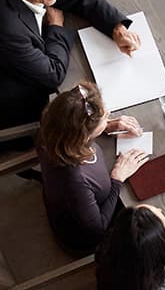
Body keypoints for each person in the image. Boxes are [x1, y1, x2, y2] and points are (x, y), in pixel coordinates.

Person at [0, 0, 140, 129]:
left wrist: (117, 28)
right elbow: (53, 74)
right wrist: (56, 26)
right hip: (18, 107)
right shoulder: (10, 30)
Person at [37, 82, 148, 254]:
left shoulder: (52, 128)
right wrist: (117, 178)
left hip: (70, 203)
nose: (109, 114)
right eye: (105, 116)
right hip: (85, 235)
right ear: (83, 136)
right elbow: (98, 229)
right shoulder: (75, 181)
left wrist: (104, 125)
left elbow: (74, 124)